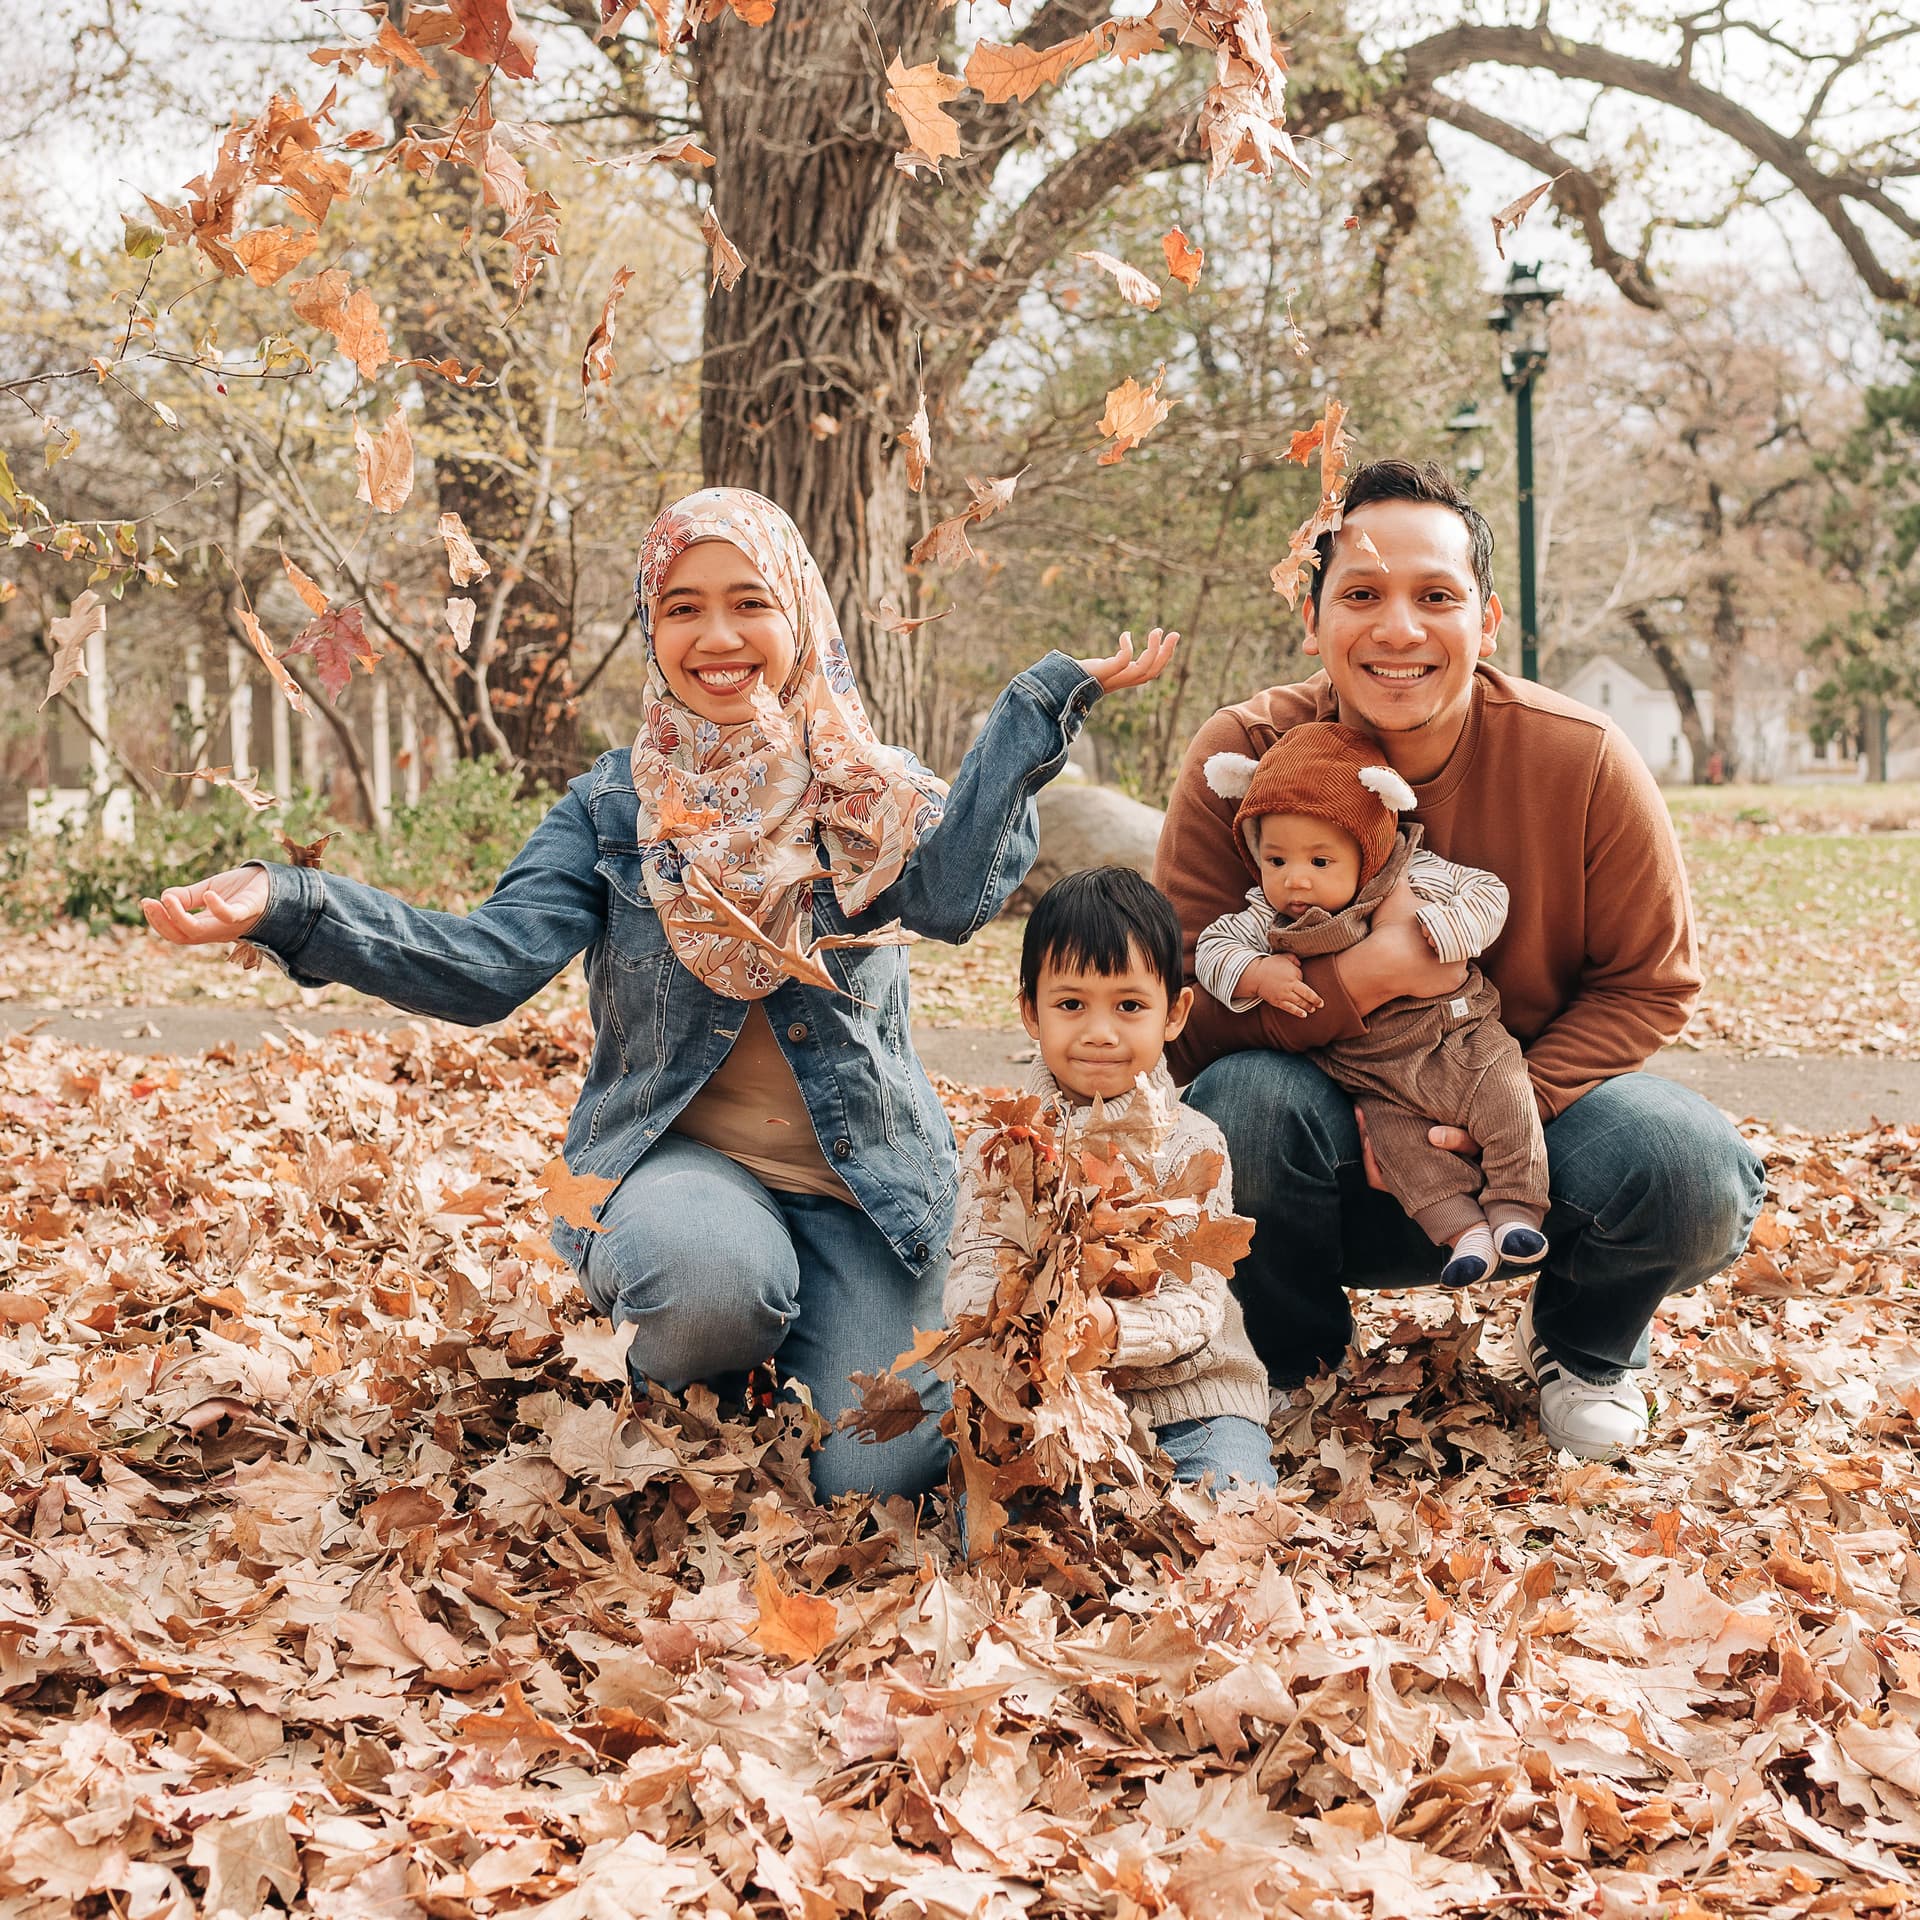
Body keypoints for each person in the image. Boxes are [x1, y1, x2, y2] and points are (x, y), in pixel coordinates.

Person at [141, 486, 1179, 1502]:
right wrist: (290, 902)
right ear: (652, 627)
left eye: (749, 602)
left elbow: (954, 898)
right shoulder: (612, 807)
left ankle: (799, 1330)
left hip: (866, 1190)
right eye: (683, 607)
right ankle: (697, 1358)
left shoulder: (871, 792)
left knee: (880, 1478)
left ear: (799, 613)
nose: (717, 636)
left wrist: (1033, 708)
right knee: (713, 1283)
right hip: (673, 1172)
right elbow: (485, 967)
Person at [1154, 458, 1765, 1459]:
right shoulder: (1250, 753)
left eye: (1435, 596)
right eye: (1362, 595)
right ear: (1313, 620)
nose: (1399, 629)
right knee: (1241, 1109)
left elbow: (1651, 983)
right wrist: (1366, 980)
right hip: (1322, 1158)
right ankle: (1292, 1359)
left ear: (1486, 622)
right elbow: (1179, 1012)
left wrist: (1509, 1106)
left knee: (1690, 1166)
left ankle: (1585, 1345)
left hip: (1531, 1147)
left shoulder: (1582, 757)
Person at [945, 867, 1275, 1493]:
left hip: (1192, 1401)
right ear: (1030, 1011)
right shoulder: (1000, 1146)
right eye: (1071, 1005)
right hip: (1038, 1400)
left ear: (1175, 1013)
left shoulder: (1193, 1144)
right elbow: (972, 1269)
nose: (1100, 1033)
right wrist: (1016, 1321)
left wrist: (1111, 1328)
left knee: (1233, 1508)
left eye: (1130, 1006)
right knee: (998, 1523)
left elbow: (1198, 1305)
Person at [1196, 720, 1549, 1291]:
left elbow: (1487, 892)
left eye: (1320, 862)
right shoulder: (1265, 914)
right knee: (1400, 1149)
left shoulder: (1413, 871)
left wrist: (1442, 930)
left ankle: (1516, 1210)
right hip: (1375, 1076)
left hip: (1461, 1040)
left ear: (1368, 848)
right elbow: (1212, 948)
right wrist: (1255, 974)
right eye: (1276, 861)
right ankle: (1463, 1233)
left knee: (1508, 1100)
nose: (1295, 882)